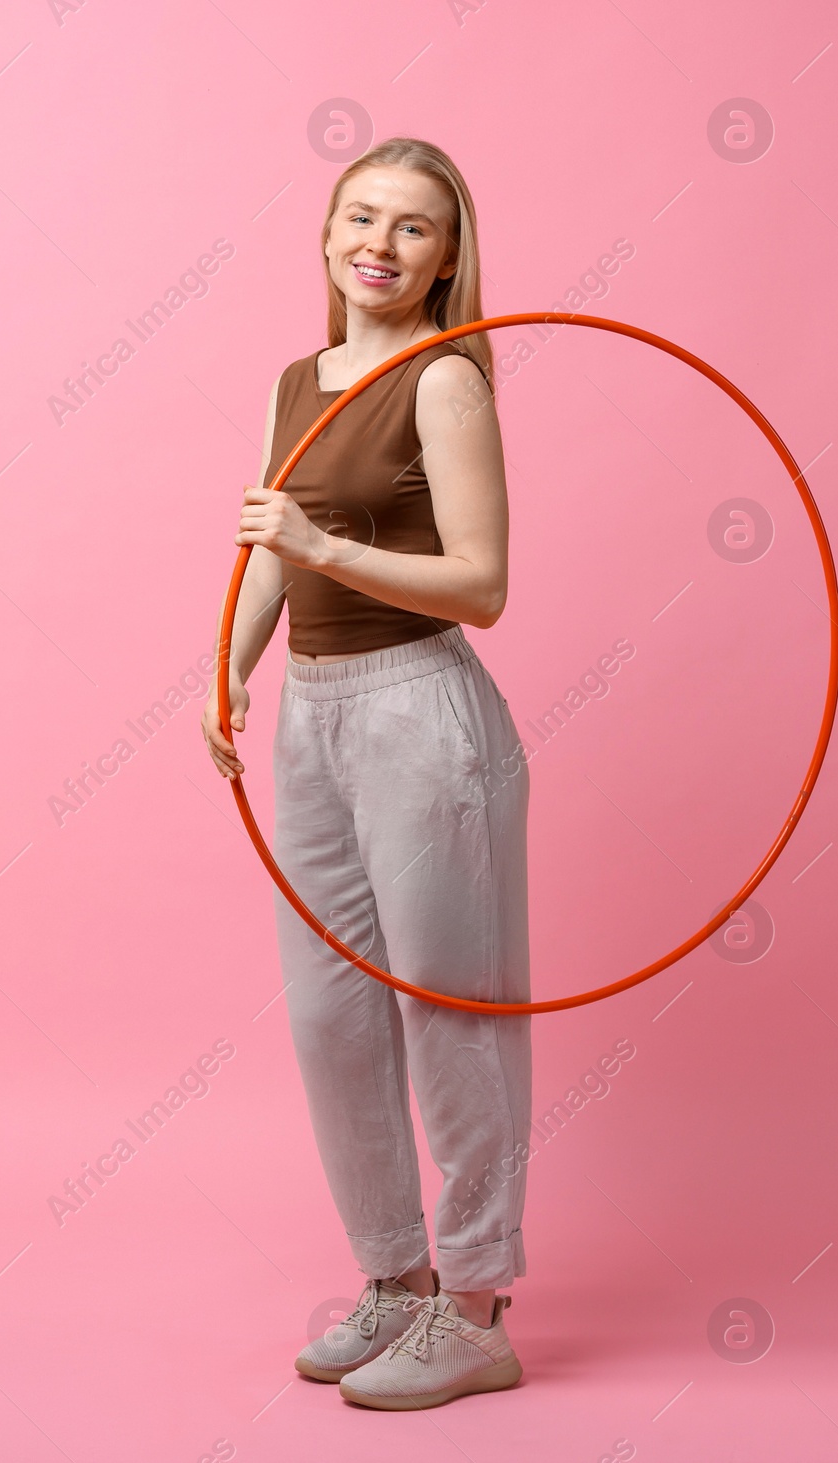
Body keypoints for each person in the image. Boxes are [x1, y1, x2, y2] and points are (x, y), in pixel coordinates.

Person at [201, 137, 532, 1411]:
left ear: (447, 257)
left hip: (419, 711)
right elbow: (271, 552)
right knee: (329, 1015)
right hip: (312, 716)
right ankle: (394, 1276)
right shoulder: (303, 377)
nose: (379, 246)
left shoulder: (442, 380)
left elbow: (483, 586)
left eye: (411, 228)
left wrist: (312, 536)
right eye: (360, 217)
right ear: (327, 231)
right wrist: (226, 666)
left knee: (449, 1006)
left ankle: (478, 1301)